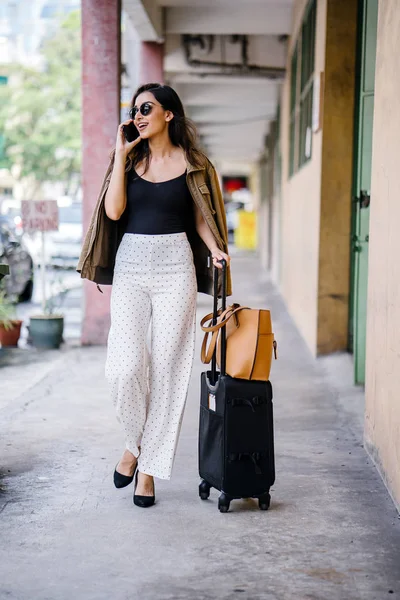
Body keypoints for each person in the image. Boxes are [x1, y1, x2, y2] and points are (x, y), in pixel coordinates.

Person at [77, 83, 232, 507]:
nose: (138, 115)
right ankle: (134, 444)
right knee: (124, 368)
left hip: (176, 265)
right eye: (134, 109)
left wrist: (217, 249)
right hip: (131, 264)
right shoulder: (128, 161)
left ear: (169, 114)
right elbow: (113, 212)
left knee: (168, 368)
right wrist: (121, 154)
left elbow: (203, 218)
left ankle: (148, 469)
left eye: (147, 108)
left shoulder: (196, 164)